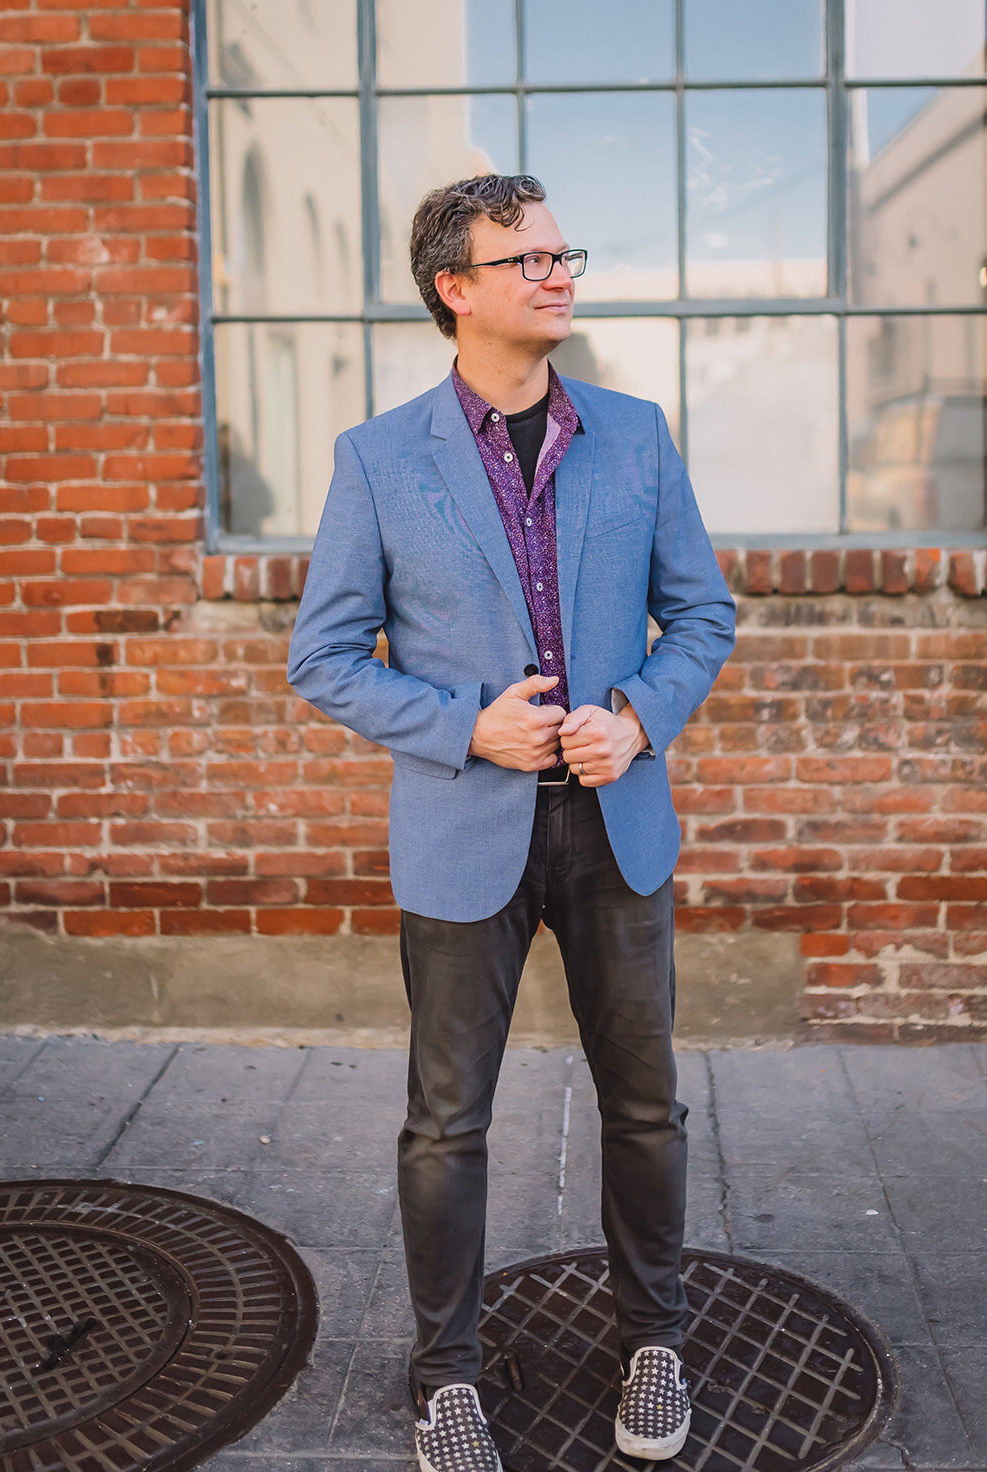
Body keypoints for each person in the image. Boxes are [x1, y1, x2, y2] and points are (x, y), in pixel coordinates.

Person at [287, 174, 736, 1470]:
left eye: (563, 253)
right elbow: (324, 658)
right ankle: (447, 1378)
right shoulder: (378, 459)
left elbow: (701, 615)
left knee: (645, 1105)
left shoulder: (637, 436)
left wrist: (640, 718)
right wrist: (463, 724)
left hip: (614, 830)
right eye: (527, 258)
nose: (558, 274)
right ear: (456, 288)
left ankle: (655, 1341)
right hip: (461, 832)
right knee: (448, 1122)